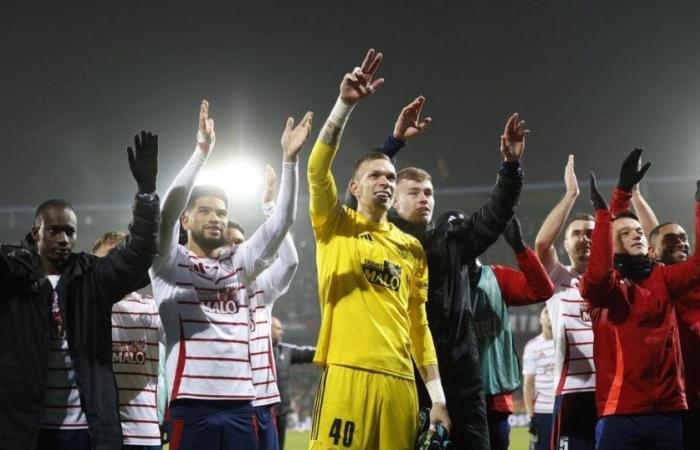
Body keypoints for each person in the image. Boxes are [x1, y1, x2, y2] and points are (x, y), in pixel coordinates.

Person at [307, 49, 450, 449]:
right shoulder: (334, 225)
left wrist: (437, 398)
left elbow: (419, 326)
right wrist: (343, 107)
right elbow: (317, 171)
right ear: (354, 187)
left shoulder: (411, 248)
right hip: (347, 373)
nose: (386, 181)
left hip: (402, 383)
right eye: (375, 175)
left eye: (390, 176)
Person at [149, 100, 311, 450]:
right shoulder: (167, 264)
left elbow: (281, 224)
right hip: (190, 408)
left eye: (222, 212)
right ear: (186, 220)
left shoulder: (242, 264)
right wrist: (201, 153)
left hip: (242, 406)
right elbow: (165, 213)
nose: (216, 217)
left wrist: (289, 162)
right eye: (204, 210)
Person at [0, 131, 160, 450]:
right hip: (26, 431)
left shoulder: (92, 277)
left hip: (86, 430)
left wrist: (146, 194)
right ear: (37, 232)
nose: (63, 239)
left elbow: (138, 256)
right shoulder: (11, 275)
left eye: (70, 232)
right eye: (54, 231)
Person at [389, 114, 526, 449]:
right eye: (414, 192)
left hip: (462, 379)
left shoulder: (452, 242)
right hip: (405, 376)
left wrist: (510, 168)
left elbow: (494, 216)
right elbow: (359, 199)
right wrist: (393, 146)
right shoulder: (378, 243)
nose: (425, 198)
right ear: (392, 198)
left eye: (429, 192)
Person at [581, 148, 700, 450]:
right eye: (625, 233)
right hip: (620, 412)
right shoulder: (603, 287)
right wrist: (606, 214)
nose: (636, 234)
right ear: (610, 242)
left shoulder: (662, 277)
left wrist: (699, 206)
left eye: (639, 231)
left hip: (668, 411)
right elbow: (597, 276)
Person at [468, 217, 554, 450]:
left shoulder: (496, 277)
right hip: (453, 401)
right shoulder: (435, 280)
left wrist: (519, 248)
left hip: (496, 401)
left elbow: (542, 289)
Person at [534, 155, 598, 450]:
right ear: (566, 244)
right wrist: (571, 194)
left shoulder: (617, 281)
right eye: (577, 234)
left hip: (615, 392)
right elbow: (541, 245)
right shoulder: (557, 278)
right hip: (572, 393)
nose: (585, 239)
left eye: (592, 234)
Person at [94, 231, 163, 450]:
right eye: (108, 258)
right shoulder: (83, 306)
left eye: (120, 256)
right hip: (96, 433)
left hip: (143, 434)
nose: (115, 265)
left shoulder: (152, 307)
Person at [270, 316, 316, 450]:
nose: (281, 332)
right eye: (278, 328)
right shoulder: (258, 350)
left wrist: (327, 349)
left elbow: (307, 353)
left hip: (282, 411)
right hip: (264, 411)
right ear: (268, 328)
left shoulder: (285, 350)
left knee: (280, 446)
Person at [522, 306, 555, 450]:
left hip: (562, 411)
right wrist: (531, 416)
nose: (549, 315)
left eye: (551, 311)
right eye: (546, 312)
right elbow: (528, 385)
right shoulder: (532, 346)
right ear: (540, 319)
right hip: (542, 412)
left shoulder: (564, 343)